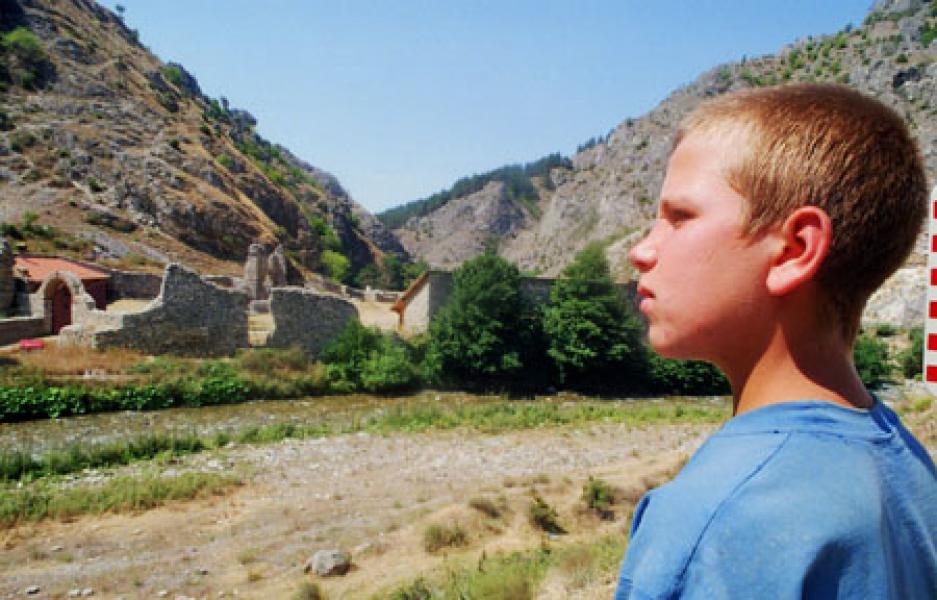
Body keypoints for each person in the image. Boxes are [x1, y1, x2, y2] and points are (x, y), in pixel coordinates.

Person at [615, 83, 937, 599]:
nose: (641, 251)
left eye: (679, 218)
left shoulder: (717, 518)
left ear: (794, 250)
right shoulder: (907, 468)